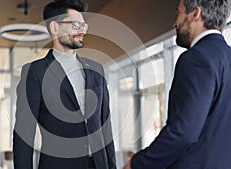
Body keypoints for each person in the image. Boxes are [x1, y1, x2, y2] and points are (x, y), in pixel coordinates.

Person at [123, 0, 231, 168]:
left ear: (195, 14)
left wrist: (137, 164)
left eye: (179, 13)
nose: (175, 23)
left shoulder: (196, 59)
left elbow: (183, 132)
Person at [13, 0, 117, 169]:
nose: (82, 30)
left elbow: (106, 128)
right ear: (55, 28)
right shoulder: (35, 72)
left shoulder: (97, 69)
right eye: (76, 24)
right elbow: (24, 134)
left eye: (84, 25)